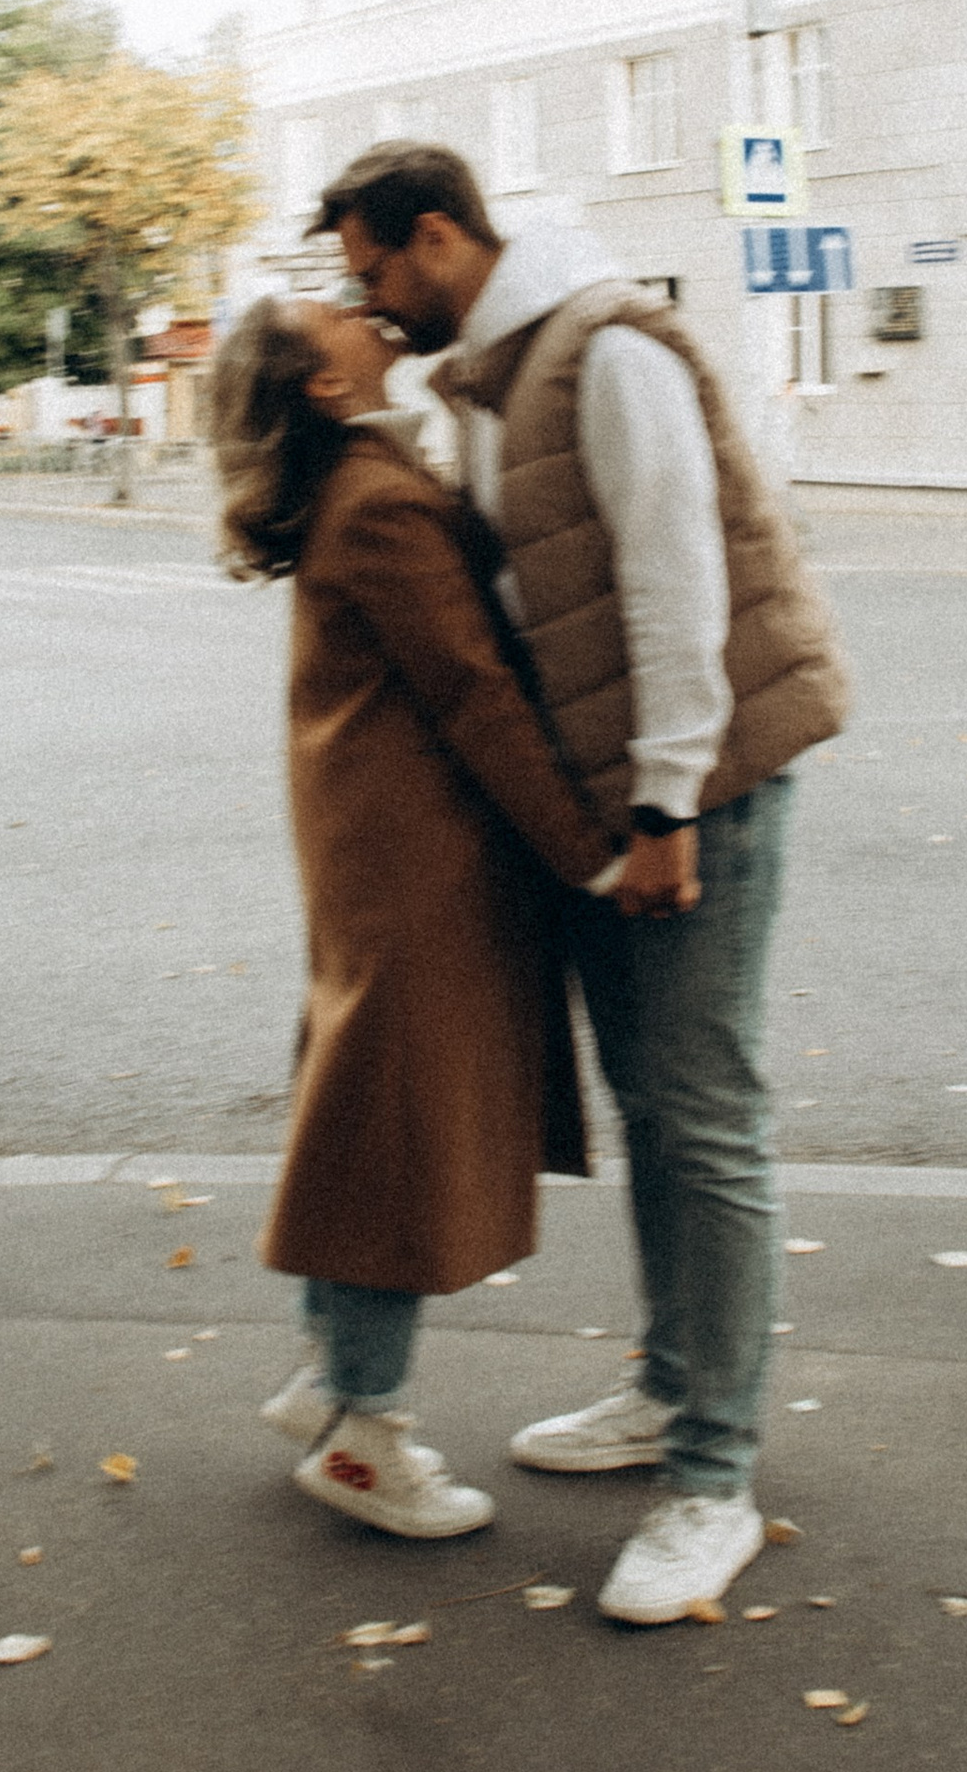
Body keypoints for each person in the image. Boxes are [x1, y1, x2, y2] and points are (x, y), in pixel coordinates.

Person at [314, 143, 850, 1627]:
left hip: (700, 789)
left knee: (703, 1113)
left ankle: (713, 1476)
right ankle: (672, 1389)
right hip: (620, 803)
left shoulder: (605, 349)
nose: (370, 298)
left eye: (372, 270)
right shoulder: (497, 375)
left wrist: (671, 798)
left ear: (436, 236)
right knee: (658, 1113)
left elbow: (674, 577)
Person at [211, 293, 621, 1543]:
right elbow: (475, 689)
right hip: (418, 857)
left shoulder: (361, 477)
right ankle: (366, 1434)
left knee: (364, 1106)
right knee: (400, 1131)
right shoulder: (377, 500)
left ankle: (328, 1373)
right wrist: (587, 852)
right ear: (325, 388)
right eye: (322, 314)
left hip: (373, 851)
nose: (352, 305)